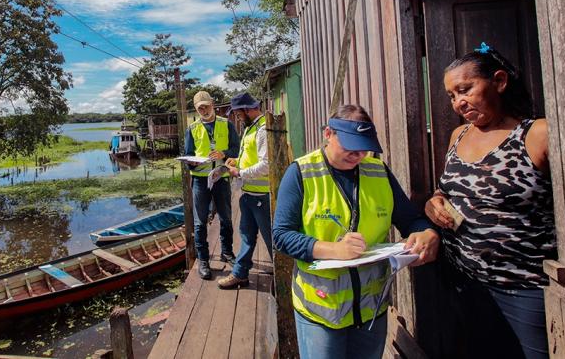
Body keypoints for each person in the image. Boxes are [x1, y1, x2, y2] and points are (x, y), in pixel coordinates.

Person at [273, 104, 439, 359]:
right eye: (350, 144)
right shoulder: (300, 173)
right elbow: (281, 236)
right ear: (328, 134)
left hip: (371, 311)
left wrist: (426, 232)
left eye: (364, 146)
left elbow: (410, 220)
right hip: (321, 313)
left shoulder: (378, 172)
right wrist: (333, 250)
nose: (358, 153)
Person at [424, 43, 554, 359]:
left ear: (498, 81)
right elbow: (447, 192)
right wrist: (434, 204)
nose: (458, 102)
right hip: (465, 282)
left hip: (523, 288)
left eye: (465, 89)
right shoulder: (459, 136)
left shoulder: (537, 134)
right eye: (452, 96)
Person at [218, 92, 272, 289]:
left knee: (272, 239)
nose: (237, 117)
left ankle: (289, 276)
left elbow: (267, 165)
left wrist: (239, 172)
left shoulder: (263, 129)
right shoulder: (252, 128)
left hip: (263, 197)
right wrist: (236, 162)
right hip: (249, 194)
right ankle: (240, 274)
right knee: (247, 236)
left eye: (238, 113)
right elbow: (253, 159)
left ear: (247, 109)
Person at [185, 90, 240, 280]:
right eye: (200, 108)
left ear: (213, 105)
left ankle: (227, 252)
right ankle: (203, 260)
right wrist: (191, 161)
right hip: (200, 180)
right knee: (200, 222)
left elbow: (236, 149)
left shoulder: (227, 124)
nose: (204, 110)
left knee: (226, 218)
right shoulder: (192, 128)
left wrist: (224, 153)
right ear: (196, 109)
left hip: (221, 177)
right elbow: (187, 154)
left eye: (207, 106)